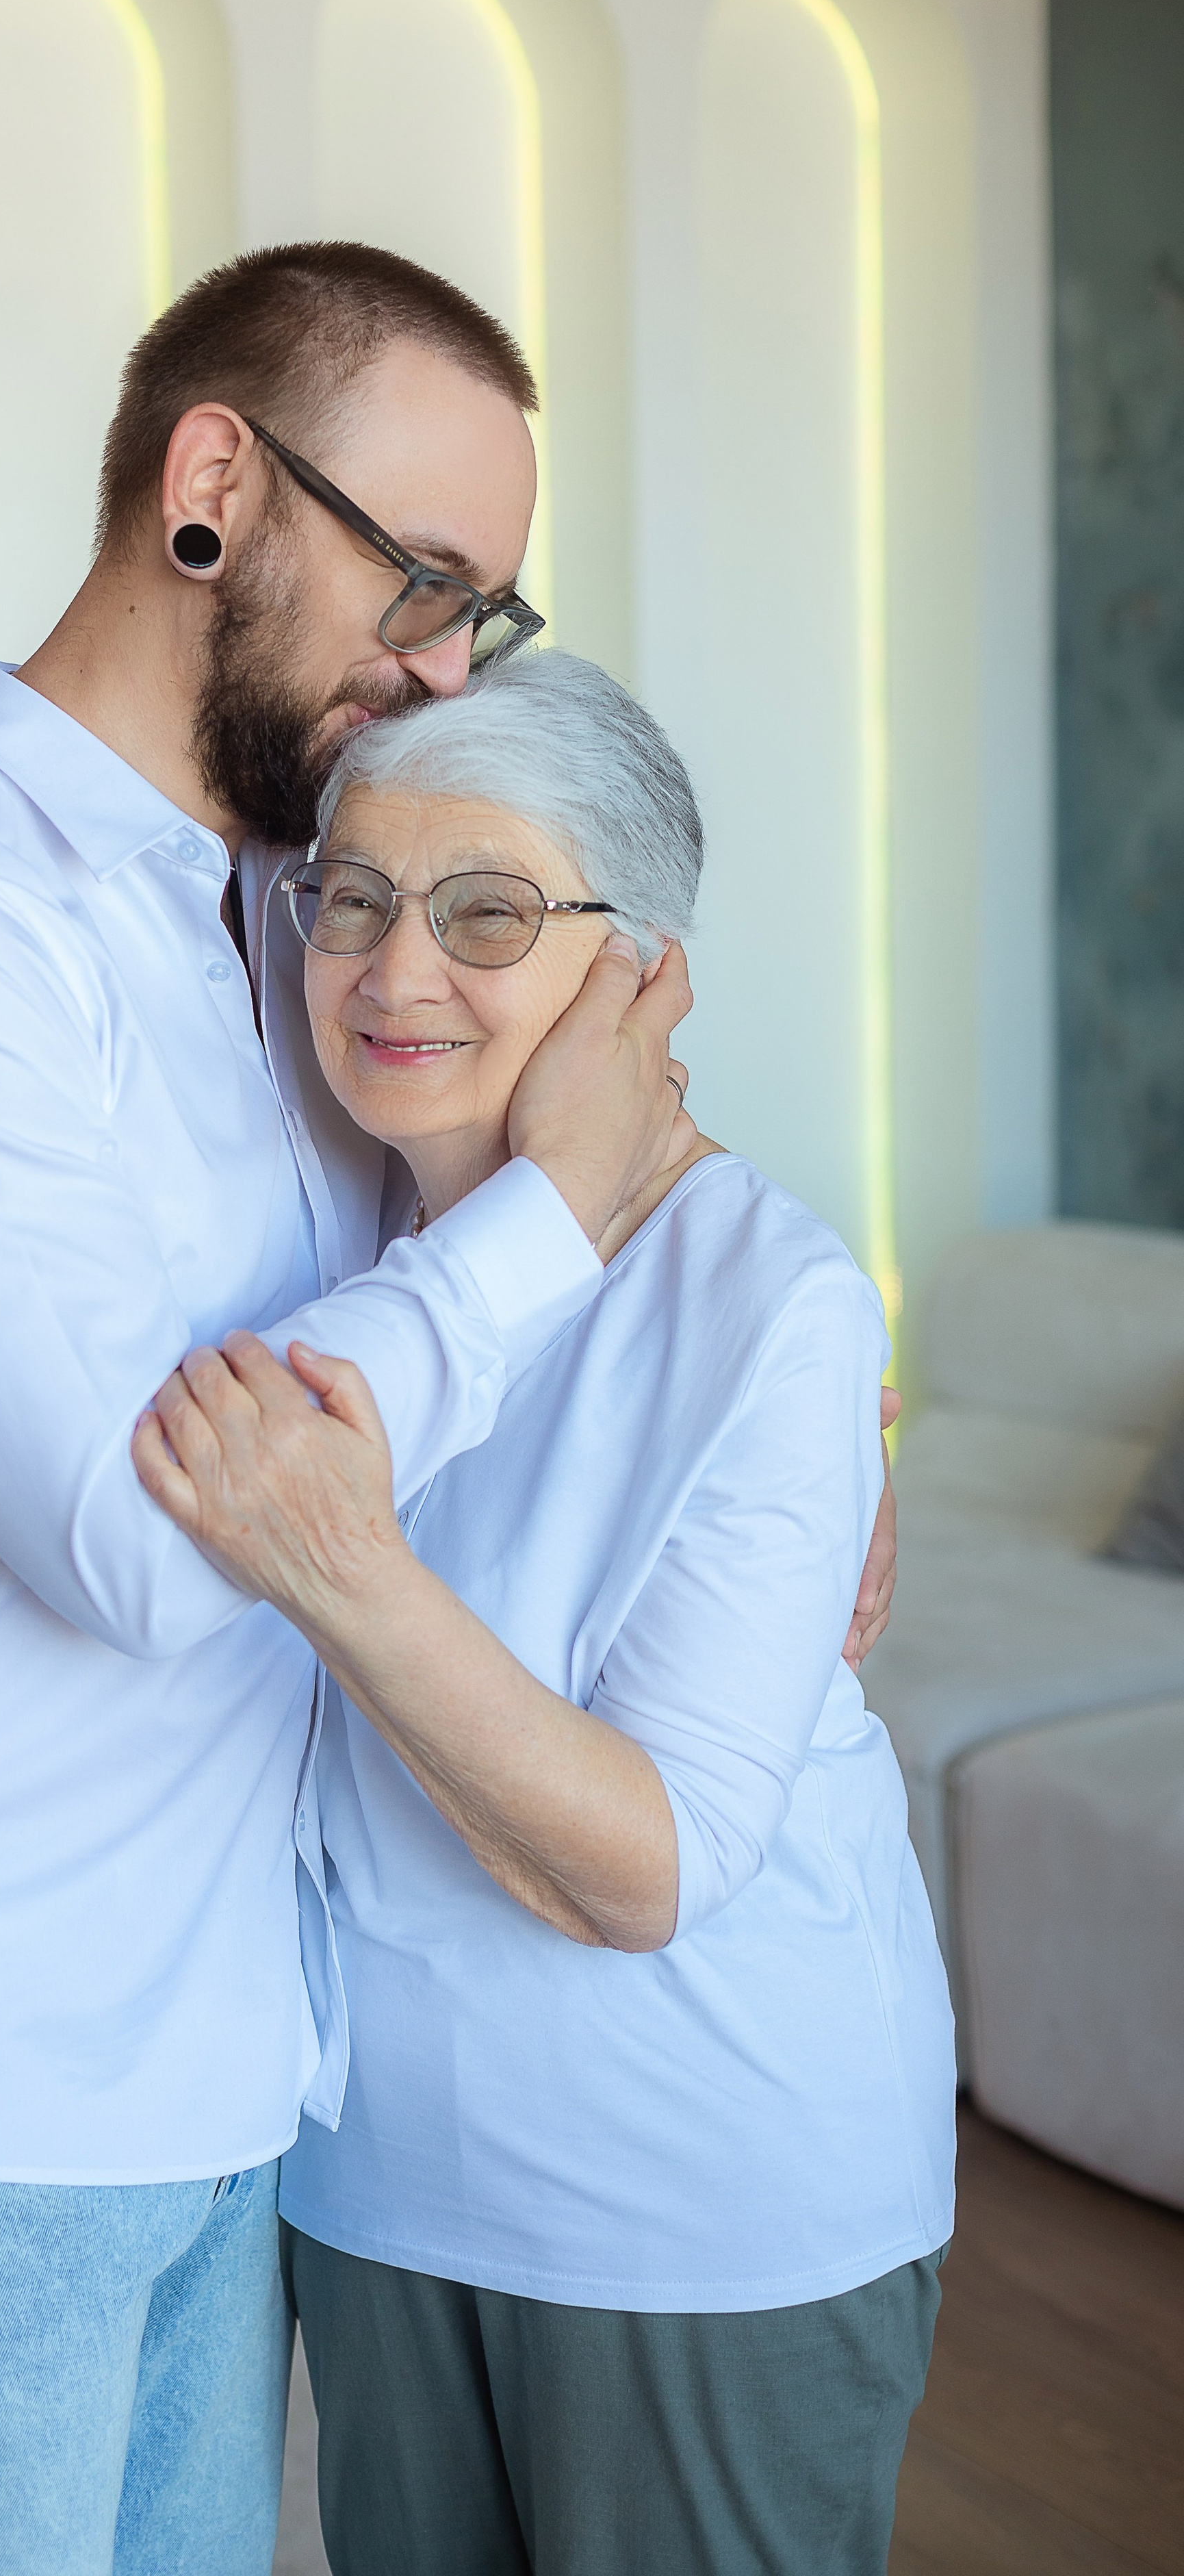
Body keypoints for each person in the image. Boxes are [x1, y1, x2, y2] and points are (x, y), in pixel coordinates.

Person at [0, 242, 718, 2576]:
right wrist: (555, 1220)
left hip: (229, 2047)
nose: (442, 669)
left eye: (485, 617)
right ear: (215, 483)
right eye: (423, 582)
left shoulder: (289, 917)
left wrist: (784, 1387)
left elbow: (587, 1111)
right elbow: (152, 1549)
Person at [133, 648, 954, 2576]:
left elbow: (644, 1867)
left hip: (702, 2210)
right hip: (373, 2192)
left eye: (490, 912)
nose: (395, 972)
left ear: (636, 972)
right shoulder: (328, 1250)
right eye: (353, 900)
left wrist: (341, 1564)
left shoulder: (771, 1302)